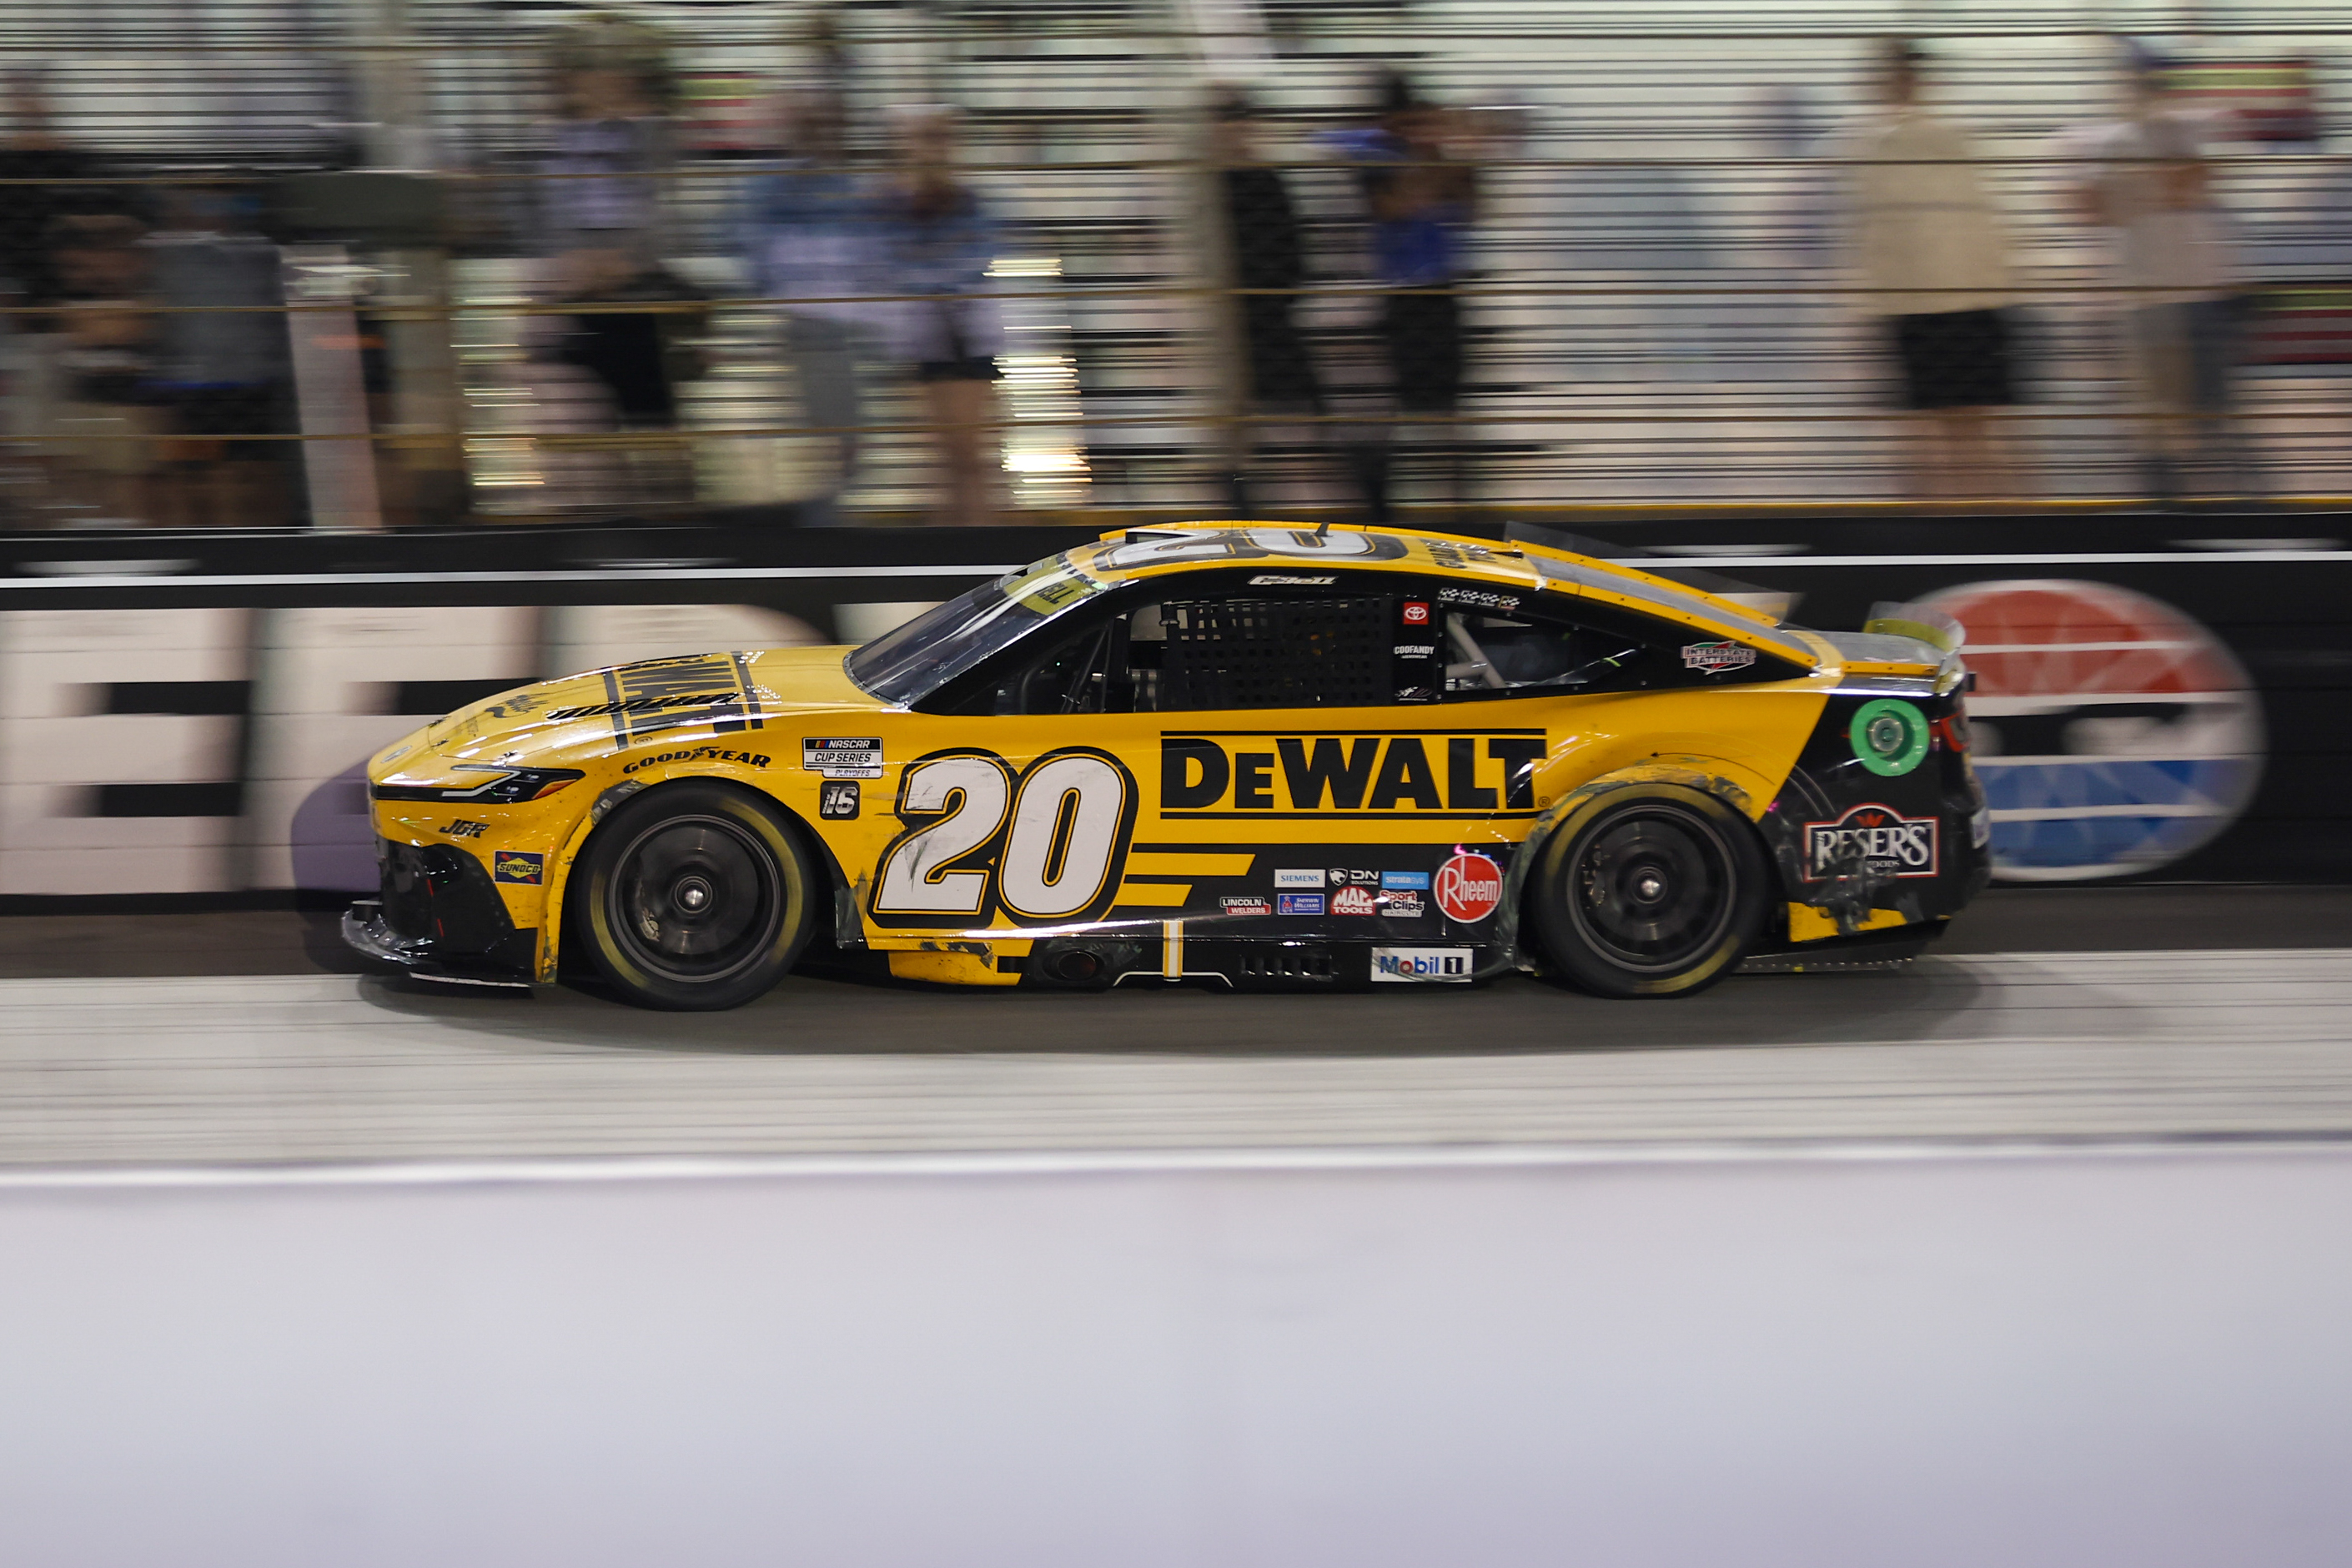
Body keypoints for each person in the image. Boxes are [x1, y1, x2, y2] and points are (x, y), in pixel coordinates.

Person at [2059, 41, 2252, 505]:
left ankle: (2233, 512)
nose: (2144, 89)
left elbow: (2193, 183)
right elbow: (2086, 206)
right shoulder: (2111, 141)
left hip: (2200, 293)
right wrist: (2154, 185)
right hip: (2146, 299)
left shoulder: (2188, 131)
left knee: (2212, 415)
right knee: (2157, 424)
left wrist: (2132, 190)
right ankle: (2166, 516)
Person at [1842, 38, 2028, 505]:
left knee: (1944, 436)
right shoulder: (1886, 142)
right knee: (1951, 435)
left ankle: (1954, 538)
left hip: (1947, 304)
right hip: (1947, 305)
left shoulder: (1895, 142)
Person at [1324, 72, 1479, 524]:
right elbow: (1393, 207)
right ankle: (1380, 519)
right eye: (1410, 122)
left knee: (1446, 415)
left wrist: (1448, 154)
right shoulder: (1369, 153)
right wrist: (1428, 159)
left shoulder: (1441, 156)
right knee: (1382, 419)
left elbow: (1472, 206)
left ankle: (1458, 520)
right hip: (1391, 299)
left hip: (1439, 293)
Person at [740, 88, 875, 527]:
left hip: (840, 334)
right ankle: (812, 530)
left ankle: (822, 525)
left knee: (842, 444)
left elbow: (867, 255)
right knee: (812, 445)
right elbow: (756, 260)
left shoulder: (847, 189)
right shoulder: (770, 190)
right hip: (799, 330)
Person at [870, 106, 1003, 527]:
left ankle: (978, 554)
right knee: (942, 464)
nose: (932, 148)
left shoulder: (969, 203)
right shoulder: (890, 204)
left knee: (970, 460)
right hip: (924, 342)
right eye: (922, 138)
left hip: (964, 337)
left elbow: (976, 261)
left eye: (939, 138)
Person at [1201, 88, 1328, 515]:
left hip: (1261, 328)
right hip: (1233, 332)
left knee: (1282, 432)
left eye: (1240, 124)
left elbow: (1292, 259)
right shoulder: (1204, 187)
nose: (1236, 134)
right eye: (1228, 124)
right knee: (1242, 441)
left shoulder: (1259, 182)